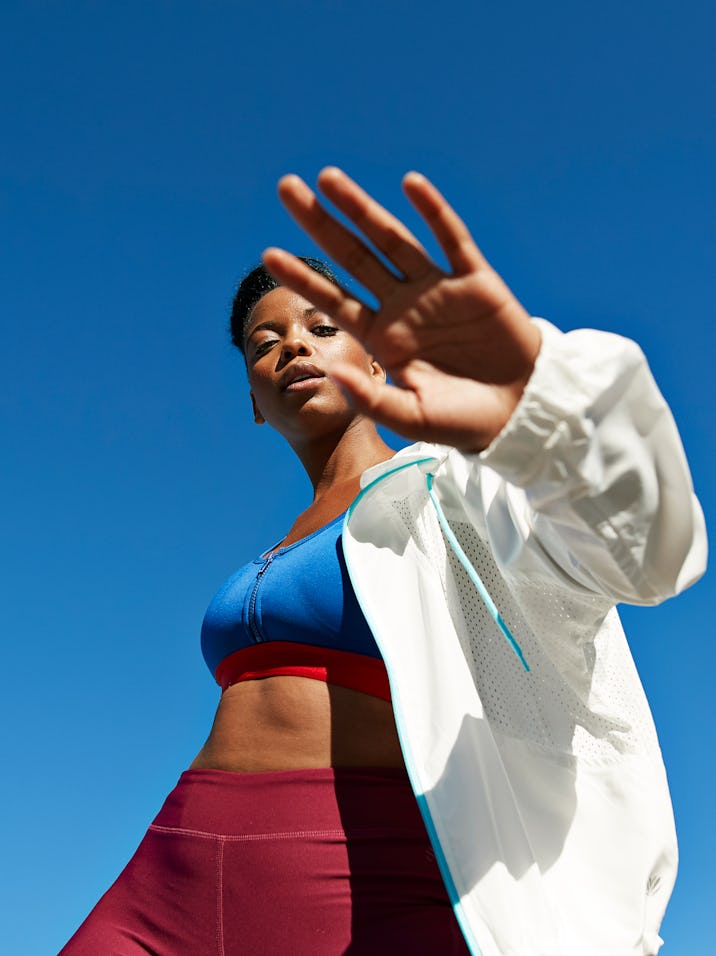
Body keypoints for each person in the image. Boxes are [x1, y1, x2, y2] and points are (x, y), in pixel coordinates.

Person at [59, 168, 706, 955]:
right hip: (173, 868)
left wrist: (540, 400)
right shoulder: (273, 550)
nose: (292, 343)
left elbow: (644, 554)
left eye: (322, 328)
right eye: (265, 344)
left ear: (374, 361)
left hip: (368, 877)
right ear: (255, 404)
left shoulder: (455, 489)